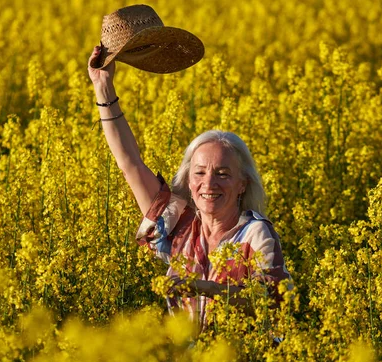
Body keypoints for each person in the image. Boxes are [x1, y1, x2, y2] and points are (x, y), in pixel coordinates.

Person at [87, 46, 292, 329]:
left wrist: (205, 288)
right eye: (199, 173)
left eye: (223, 174)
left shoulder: (256, 234)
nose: (209, 183)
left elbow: (271, 300)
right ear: (189, 181)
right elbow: (130, 164)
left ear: (243, 184)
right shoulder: (179, 226)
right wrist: (103, 87)